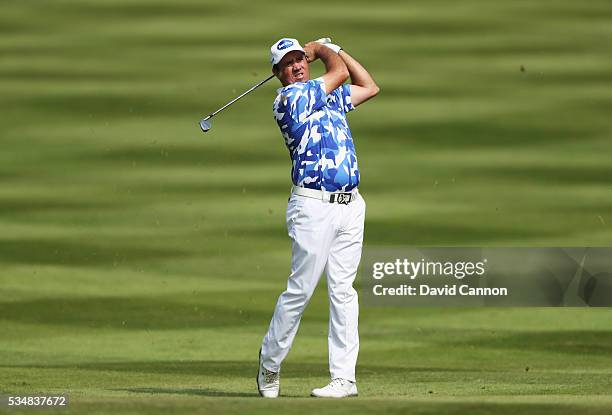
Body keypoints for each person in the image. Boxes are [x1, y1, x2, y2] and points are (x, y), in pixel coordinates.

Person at [257, 37, 379, 399]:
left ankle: (344, 378)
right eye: (289, 63)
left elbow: (369, 86)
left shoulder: (328, 97)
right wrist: (324, 49)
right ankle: (270, 363)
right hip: (313, 207)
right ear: (278, 74)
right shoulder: (290, 99)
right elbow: (339, 72)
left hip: (350, 205)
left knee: (344, 291)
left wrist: (335, 47)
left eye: (300, 59)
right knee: (301, 290)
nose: (296, 66)